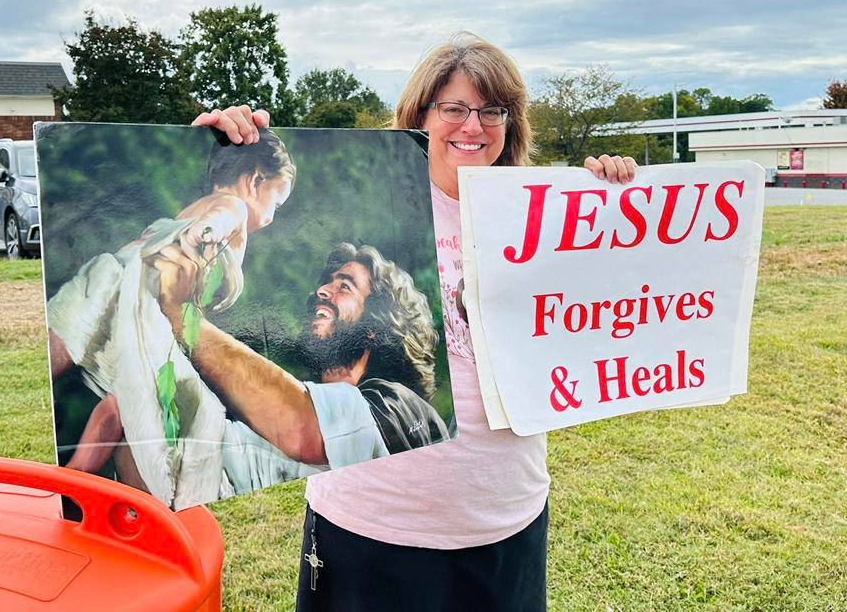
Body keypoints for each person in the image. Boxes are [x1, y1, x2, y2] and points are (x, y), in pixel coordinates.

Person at [194, 32, 637, 611]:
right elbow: (243, 216)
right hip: (369, 526)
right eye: (452, 108)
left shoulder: (545, 214)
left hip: (504, 519)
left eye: (491, 110)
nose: (472, 126)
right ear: (420, 116)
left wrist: (617, 198)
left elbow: (607, 314)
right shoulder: (371, 210)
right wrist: (231, 150)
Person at [46, 128, 295, 507]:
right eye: (277, 202)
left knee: (102, 387)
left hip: (110, 275)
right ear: (255, 181)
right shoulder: (233, 208)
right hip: (140, 306)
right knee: (137, 402)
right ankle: (79, 473)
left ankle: (75, 471)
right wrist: (204, 234)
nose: (275, 217)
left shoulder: (193, 205)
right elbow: (220, 218)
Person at [150, 241, 451, 496]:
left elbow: (302, 431)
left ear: (376, 328)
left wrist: (180, 313)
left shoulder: (404, 410)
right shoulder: (276, 423)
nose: (322, 290)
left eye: (344, 286)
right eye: (327, 282)